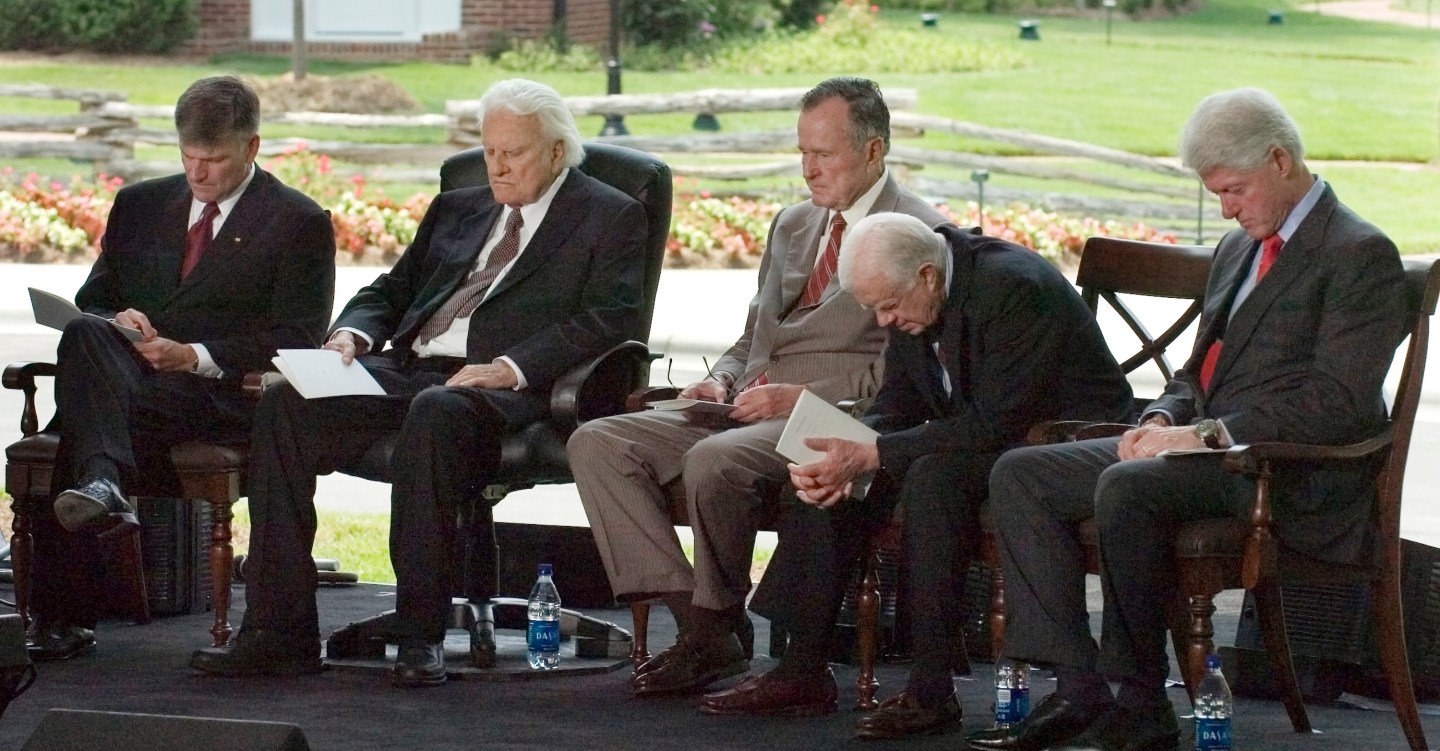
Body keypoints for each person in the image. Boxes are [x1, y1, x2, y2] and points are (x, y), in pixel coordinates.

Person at [968, 88, 1408, 751]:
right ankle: (1078, 686)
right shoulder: (1238, 249)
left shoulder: (1358, 253)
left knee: (1129, 485)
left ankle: (1141, 701)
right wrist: (1158, 416)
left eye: (1234, 190)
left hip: (1285, 472)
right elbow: (1196, 372)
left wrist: (1200, 434)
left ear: (1280, 159)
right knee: (1021, 475)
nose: (1227, 208)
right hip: (1200, 451)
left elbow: (1338, 402)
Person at [189, 78, 647, 687]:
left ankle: (419, 633)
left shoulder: (609, 215)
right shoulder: (459, 207)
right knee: (287, 403)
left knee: (436, 411)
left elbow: (607, 319)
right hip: (407, 369)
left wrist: (511, 366)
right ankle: (280, 631)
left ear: (557, 152)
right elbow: (391, 291)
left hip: (504, 390)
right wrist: (351, 335)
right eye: (489, 151)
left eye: (514, 152)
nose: (497, 166)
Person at [565, 76, 950, 698]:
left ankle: (712, 627)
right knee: (598, 443)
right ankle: (704, 626)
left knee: (713, 459)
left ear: (874, 151)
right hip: (746, 403)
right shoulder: (794, 223)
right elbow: (754, 337)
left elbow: (906, 375)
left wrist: (799, 398)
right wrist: (719, 379)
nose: (808, 169)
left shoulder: (917, 233)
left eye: (823, 154)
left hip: (835, 415)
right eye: (802, 153)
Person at [702, 212, 1133, 728]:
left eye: (887, 306)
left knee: (931, 477)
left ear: (928, 275)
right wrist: (851, 446)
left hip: (1057, 439)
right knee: (829, 472)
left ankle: (930, 687)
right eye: (872, 309)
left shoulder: (1014, 288)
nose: (882, 321)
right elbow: (900, 401)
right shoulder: (912, 293)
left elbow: (997, 421)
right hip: (977, 435)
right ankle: (801, 668)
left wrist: (875, 451)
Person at [26, 75, 336, 662]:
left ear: (252, 148)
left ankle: (76, 569)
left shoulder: (297, 222)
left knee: (85, 410)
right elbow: (93, 299)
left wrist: (194, 355)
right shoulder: (140, 204)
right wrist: (121, 317)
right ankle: (104, 482)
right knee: (89, 333)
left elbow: (298, 337)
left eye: (214, 161)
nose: (198, 174)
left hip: (215, 396)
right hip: (132, 380)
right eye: (189, 157)